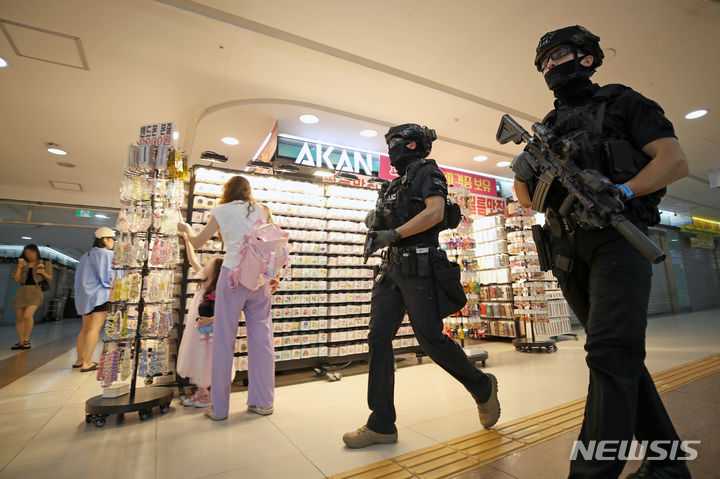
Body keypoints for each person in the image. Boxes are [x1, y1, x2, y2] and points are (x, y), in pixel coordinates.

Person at [511, 26, 690, 479]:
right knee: (616, 354)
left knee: (611, 352)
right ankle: (669, 467)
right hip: (567, 248)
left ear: (588, 58)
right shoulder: (548, 127)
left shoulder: (624, 102)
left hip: (618, 235)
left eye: (560, 56)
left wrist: (624, 189)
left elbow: (674, 160)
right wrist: (525, 170)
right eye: (544, 62)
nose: (552, 67)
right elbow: (528, 199)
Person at [342, 124, 500, 449]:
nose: (391, 148)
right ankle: (381, 423)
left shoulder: (428, 172)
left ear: (414, 144)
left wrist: (395, 234)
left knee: (430, 340)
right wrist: (376, 223)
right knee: (378, 338)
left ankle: (482, 385)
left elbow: (435, 212)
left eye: (395, 142)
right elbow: (390, 221)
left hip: (420, 266)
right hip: (391, 268)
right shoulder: (392, 185)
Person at [178, 175, 279, 421]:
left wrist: (185, 230)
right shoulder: (263, 210)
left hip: (232, 276)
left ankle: (220, 409)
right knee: (262, 339)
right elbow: (272, 244)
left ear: (227, 190)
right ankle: (263, 402)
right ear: (248, 191)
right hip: (259, 278)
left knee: (223, 339)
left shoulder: (221, 210)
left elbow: (198, 241)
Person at [176, 232, 223, 408]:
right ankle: (201, 392)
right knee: (196, 356)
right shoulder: (203, 279)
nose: (207, 264)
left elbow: (229, 313)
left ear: (216, 270)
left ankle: (206, 394)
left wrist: (211, 320)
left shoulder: (219, 289)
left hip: (209, 330)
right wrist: (188, 240)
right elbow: (192, 259)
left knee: (205, 357)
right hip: (196, 328)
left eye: (211, 264)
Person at [73, 227, 117, 372]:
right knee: (94, 329)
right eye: (112, 239)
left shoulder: (86, 256)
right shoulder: (107, 254)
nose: (113, 242)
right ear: (104, 240)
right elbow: (109, 276)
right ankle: (88, 362)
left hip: (85, 297)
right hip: (100, 296)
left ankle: (79, 360)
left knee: (85, 329)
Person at [11, 244, 53, 350]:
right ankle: (21, 341)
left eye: (31, 253)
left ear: (36, 252)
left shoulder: (44, 262)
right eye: (26, 253)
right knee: (20, 318)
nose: (29, 255)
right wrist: (20, 267)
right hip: (22, 290)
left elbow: (50, 277)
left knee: (27, 315)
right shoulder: (22, 263)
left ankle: (27, 339)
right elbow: (16, 279)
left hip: (36, 290)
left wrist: (43, 273)